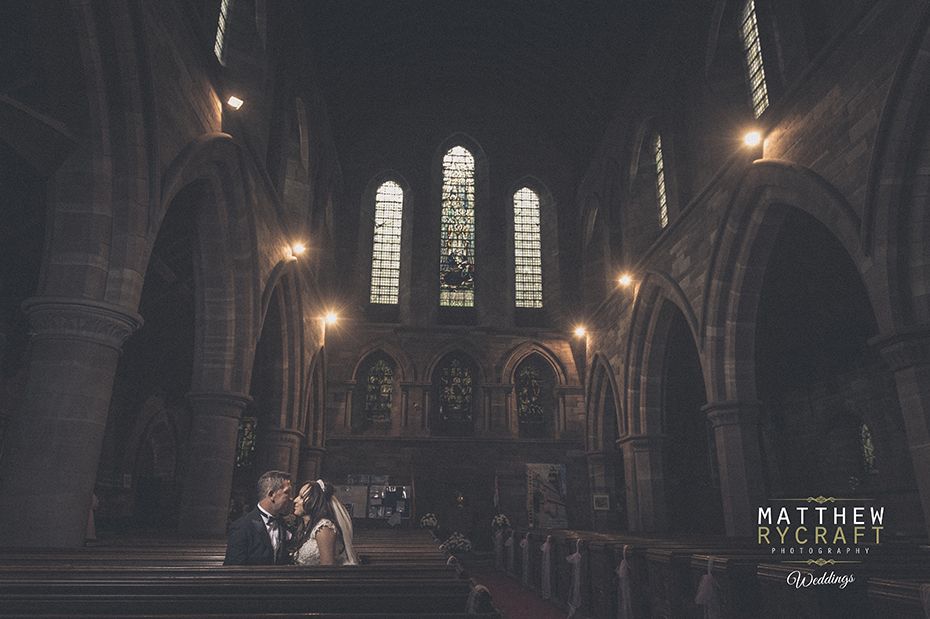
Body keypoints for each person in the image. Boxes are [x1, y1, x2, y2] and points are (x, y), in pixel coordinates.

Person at [224, 470, 294, 565]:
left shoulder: (282, 523)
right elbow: (233, 571)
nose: (291, 498)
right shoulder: (242, 527)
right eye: (287, 492)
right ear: (271, 494)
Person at [289, 479, 358, 565]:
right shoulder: (305, 528)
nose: (295, 500)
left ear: (315, 501)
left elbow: (327, 567)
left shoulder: (324, 528)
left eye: (302, 497)